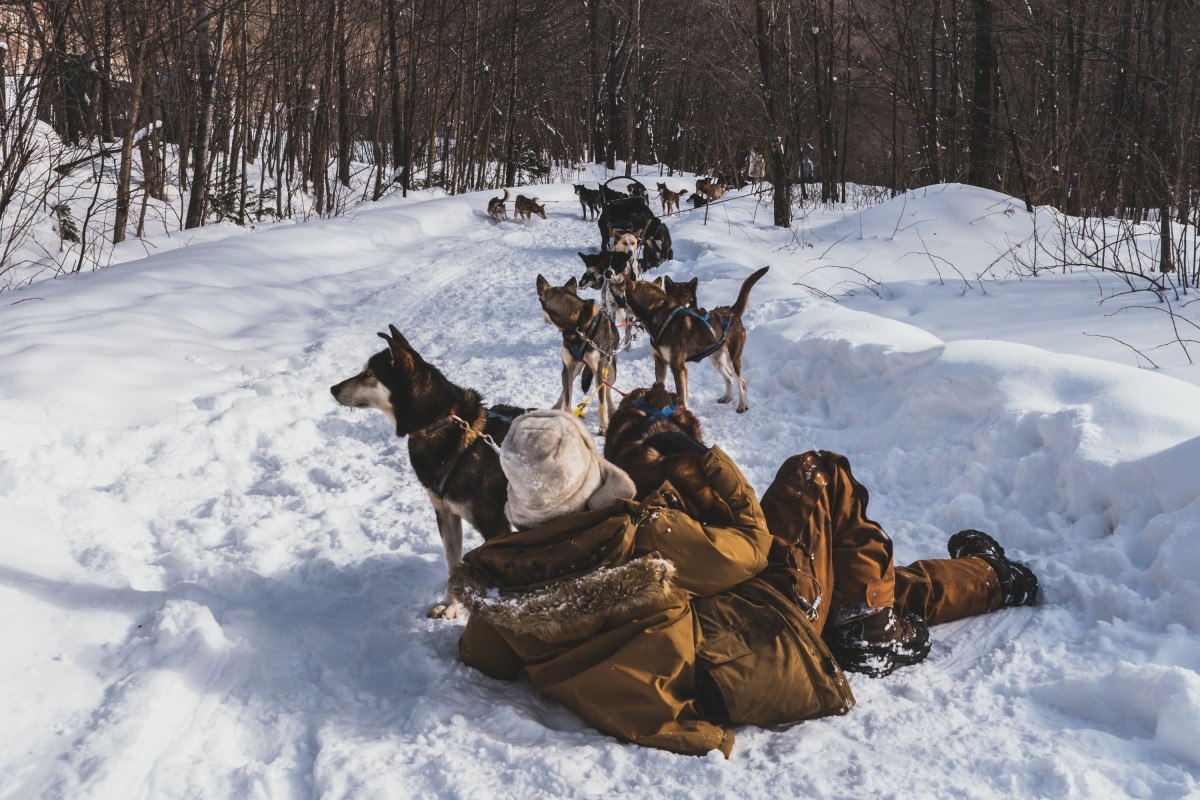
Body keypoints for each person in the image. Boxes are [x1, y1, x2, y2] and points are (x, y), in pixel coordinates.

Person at [450, 409, 1037, 756]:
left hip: (703, 647)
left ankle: (988, 580)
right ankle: (874, 625)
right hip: (756, 643)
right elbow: (753, 552)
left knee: (856, 583)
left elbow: (483, 655)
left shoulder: (504, 582)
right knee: (817, 473)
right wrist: (706, 461)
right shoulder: (642, 536)